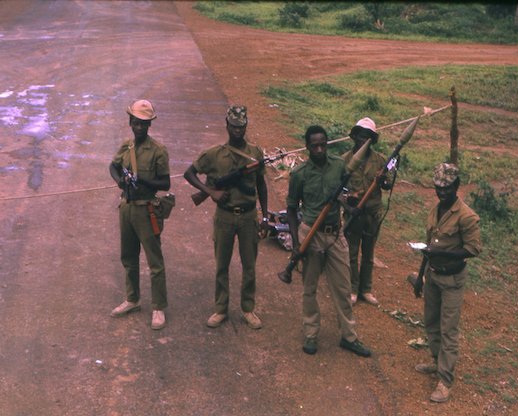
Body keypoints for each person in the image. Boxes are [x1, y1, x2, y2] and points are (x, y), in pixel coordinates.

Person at [286, 125, 371, 357]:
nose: (320, 149)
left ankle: (349, 336)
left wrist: (348, 205)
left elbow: (344, 195)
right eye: (315, 145)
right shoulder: (299, 174)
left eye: (323, 144)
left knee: (343, 289)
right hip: (310, 235)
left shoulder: (339, 166)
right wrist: (296, 243)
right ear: (307, 147)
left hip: (335, 234)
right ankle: (311, 334)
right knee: (309, 288)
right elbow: (292, 210)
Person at [184, 105, 268, 330]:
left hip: (248, 215)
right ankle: (221, 309)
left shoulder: (255, 153)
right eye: (233, 127)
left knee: (249, 265)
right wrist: (211, 192)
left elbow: (261, 184)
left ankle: (248, 308)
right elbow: (189, 173)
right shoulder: (214, 154)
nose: (237, 131)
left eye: (241, 127)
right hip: (225, 217)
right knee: (222, 264)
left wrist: (266, 216)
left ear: (246, 126)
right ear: (227, 125)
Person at [415, 163, 481, 403]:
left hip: (452, 279)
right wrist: (420, 277)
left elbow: (473, 249)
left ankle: (445, 381)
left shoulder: (466, 216)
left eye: (447, 188)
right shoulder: (436, 210)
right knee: (431, 323)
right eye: (438, 188)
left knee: (448, 330)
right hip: (432, 275)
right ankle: (436, 361)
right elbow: (427, 247)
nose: (441, 192)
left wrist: (444, 253)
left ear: (456, 186)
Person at [109, 99, 171, 330]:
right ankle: (132, 299)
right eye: (135, 122)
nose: (139, 127)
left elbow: (165, 183)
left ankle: (158, 307)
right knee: (128, 257)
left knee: (154, 261)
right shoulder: (127, 147)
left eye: (143, 124)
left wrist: (142, 179)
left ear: (149, 125)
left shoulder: (158, 151)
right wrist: (119, 182)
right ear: (130, 122)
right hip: (127, 208)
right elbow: (113, 166)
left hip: (147, 210)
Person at [341, 118, 392, 306]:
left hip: (372, 214)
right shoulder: (345, 161)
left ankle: (366, 289)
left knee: (368, 254)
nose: (364, 140)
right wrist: (348, 203)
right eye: (361, 136)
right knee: (352, 253)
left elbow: (388, 183)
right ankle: (353, 289)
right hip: (354, 214)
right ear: (354, 137)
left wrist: (384, 181)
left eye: (368, 137)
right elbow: (338, 190)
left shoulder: (380, 161)